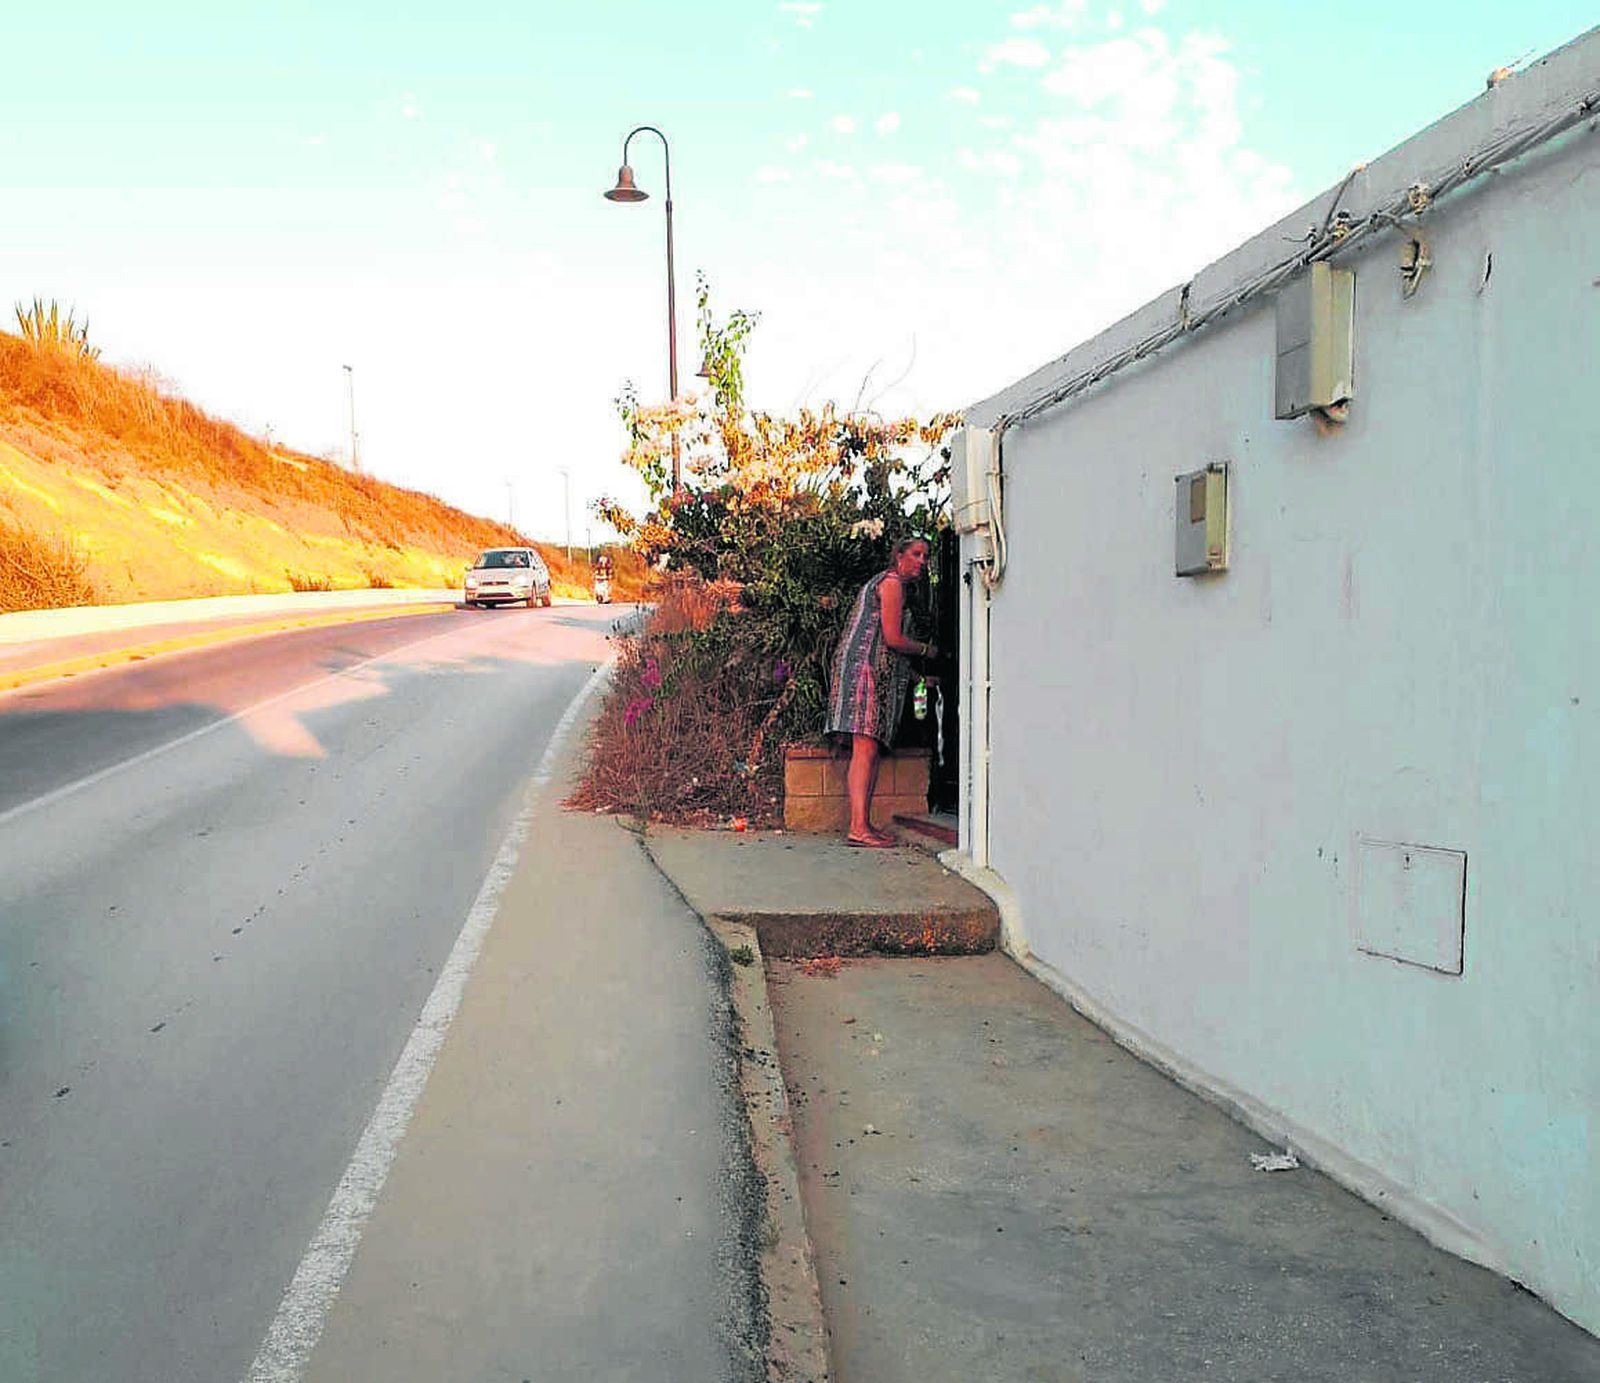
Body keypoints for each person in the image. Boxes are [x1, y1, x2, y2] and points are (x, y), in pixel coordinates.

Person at [825, 535, 939, 847]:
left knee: (870, 748)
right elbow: (892, 638)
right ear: (899, 556)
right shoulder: (891, 584)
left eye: (926, 556)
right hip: (864, 669)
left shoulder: (887, 583)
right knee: (865, 748)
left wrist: (917, 676)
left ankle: (863, 824)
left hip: (868, 667)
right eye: (916, 554)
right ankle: (858, 827)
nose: (922, 562)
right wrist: (927, 650)